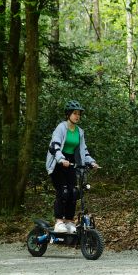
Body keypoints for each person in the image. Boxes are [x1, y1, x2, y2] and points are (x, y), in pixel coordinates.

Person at [45, 100, 99, 233]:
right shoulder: (61, 128)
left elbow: (83, 151)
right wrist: (61, 159)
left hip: (71, 163)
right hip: (58, 163)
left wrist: (91, 162)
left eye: (79, 114)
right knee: (63, 191)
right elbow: (54, 146)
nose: (77, 116)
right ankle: (59, 222)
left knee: (74, 192)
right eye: (75, 113)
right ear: (68, 114)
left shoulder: (80, 132)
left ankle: (69, 222)